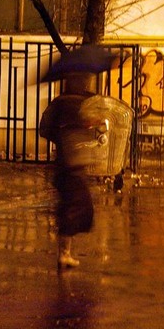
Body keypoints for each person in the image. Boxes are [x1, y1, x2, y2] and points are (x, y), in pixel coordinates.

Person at [40, 72, 96, 269]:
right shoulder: (74, 104)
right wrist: (84, 125)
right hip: (73, 164)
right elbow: (75, 129)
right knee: (75, 209)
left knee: (71, 207)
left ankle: (65, 252)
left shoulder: (59, 103)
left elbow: (44, 128)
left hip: (66, 163)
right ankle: (64, 254)